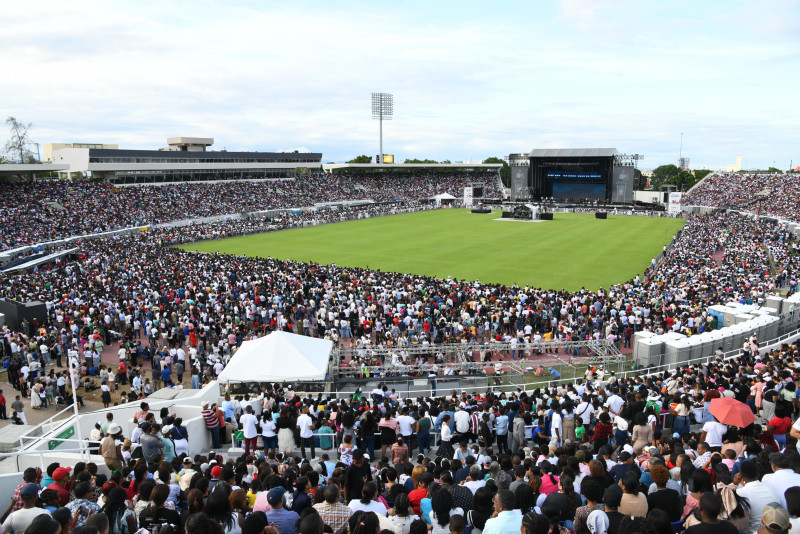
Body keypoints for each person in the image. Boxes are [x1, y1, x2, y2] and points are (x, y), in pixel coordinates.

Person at [736, 461, 778, 534]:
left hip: (756, 531)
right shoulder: (770, 486)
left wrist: (735, 484)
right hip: (776, 528)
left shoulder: (740, 492)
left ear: (741, 476)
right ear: (758, 474)